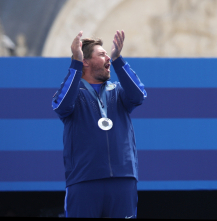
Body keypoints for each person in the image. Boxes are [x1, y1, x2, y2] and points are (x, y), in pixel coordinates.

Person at [52, 30, 147, 218]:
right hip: (84, 180)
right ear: (86, 61)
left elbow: (139, 95)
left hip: (123, 179)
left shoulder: (118, 92)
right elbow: (62, 106)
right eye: (102, 54)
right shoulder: (74, 93)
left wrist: (119, 59)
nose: (108, 58)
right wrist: (76, 64)